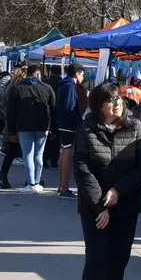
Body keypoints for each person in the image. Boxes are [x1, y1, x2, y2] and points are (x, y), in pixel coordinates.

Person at [73, 81, 141, 280]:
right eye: (110, 100)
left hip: (126, 208)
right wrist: (101, 206)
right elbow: (82, 169)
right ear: (99, 106)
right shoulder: (86, 129)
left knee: (117, 264)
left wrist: (118, 191)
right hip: (94, 209)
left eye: (118, 98)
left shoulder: (135, 127)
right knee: (97, 262)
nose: (117, 103)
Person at [6, 64, 56, 194]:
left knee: (27, 155)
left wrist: (11, 129)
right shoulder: (47, 88)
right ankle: (37, 182)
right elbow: (53, 109)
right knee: (39, 155)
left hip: (24, 126)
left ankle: (31, 183)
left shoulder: (17, 88)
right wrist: (54, 128)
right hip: (43, 126)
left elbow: (11, 111)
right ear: (38, 74)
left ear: (27, 74)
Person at [56, 64, 85, 199]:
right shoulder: (69, 86)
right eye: (82, 75)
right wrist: (78, 120)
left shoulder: (64, 84)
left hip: (63, 124)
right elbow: (69, 106)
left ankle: (61, 186)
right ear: (77, 74)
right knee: (67, 154)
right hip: (69, 125)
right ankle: (64, 188)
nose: (83, 78)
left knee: (64, 153)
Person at [0, 67, 26, 189]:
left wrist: (7, 116)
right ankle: (31, 179)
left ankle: (3, 176)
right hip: (20, 124)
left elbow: (2, 102)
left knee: (11, 151)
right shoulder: (20, 89)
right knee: (27, 152)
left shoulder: (11, 87)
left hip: (11, 123)